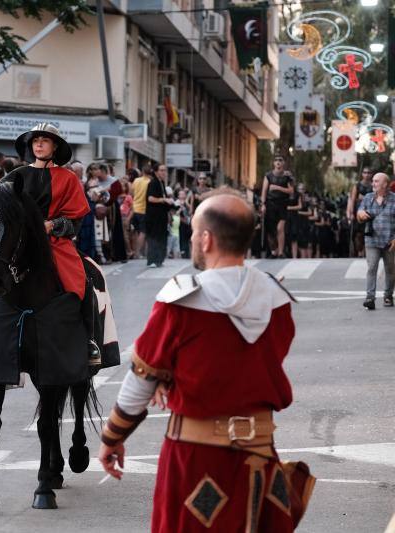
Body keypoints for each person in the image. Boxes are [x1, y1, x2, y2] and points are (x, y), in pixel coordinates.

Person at [99, 191, 312, 532]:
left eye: (196, 233)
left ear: (207, 239)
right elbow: (249, 363)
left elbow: (140, 380)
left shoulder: (181, 300)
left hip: (194, 459)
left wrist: (112, 438)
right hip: (260, 455)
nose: (194, 239)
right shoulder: (276, 299)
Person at [0, 123, 101, 364]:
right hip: (19, 245)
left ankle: (89, 340)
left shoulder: (68, 179)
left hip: (54, 243)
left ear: (55, 146)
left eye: (45, 140)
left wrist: (53, 225)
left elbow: (74, 222)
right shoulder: (15, 176)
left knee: (82, 277)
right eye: (35, 140)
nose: (39, 144)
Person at [356, 172, 395, 310]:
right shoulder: (368, 198)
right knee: (372, 267)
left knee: (390, 270)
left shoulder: (394, 199)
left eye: (377, 181)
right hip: (372, 240)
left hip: (390, 242)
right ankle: (370, 298)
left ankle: (388, 295)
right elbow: (359, 214)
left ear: (385, 184)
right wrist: (360, 214)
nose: (373, 183)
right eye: (373, 181)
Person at [261, 155, 294, 258]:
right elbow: (264, 191)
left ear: (283, 163)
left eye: (280, 160)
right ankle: (273, 251)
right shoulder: (268, 176)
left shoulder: (287, 176)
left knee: (280, 228)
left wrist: (277, 188)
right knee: (270, 230)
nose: (278, 162)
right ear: (273, 163)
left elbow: (291, 191)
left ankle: (280, 252)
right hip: (270, 204)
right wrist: (263, 205)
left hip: (282, 204)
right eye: (276, 160)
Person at [145, 163, 174, 267]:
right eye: (161, 170)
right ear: (156, 172)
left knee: (161, 237)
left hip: (161, 216)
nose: (164, 172)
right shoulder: (153, 183)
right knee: (154, 238)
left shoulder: (161, 183)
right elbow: (150, 198)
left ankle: (159, 259)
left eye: (165, 170)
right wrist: (164, 199)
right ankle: (152, 260)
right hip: (153, 217)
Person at [347, 167, 373, 257]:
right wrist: (351, 213)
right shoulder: (357, 185)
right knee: (358, 234)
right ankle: (359, 252)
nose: (367, 174)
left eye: (369, 172)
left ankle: (367, 253)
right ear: (362, 174)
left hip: (370, 212)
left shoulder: (373, 185)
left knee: (368, 233)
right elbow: (353, 200)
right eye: (365, 172)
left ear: (371, 174)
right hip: (358, 212)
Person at [131, 165, 151, 259]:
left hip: (134, 208)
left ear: (142, 171)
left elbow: (131, 193)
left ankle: (135, 251)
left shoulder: (136, 180)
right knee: (143, 232)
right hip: (144, 209)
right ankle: (138, 252)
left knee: (135, 231)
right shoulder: (149, 182)